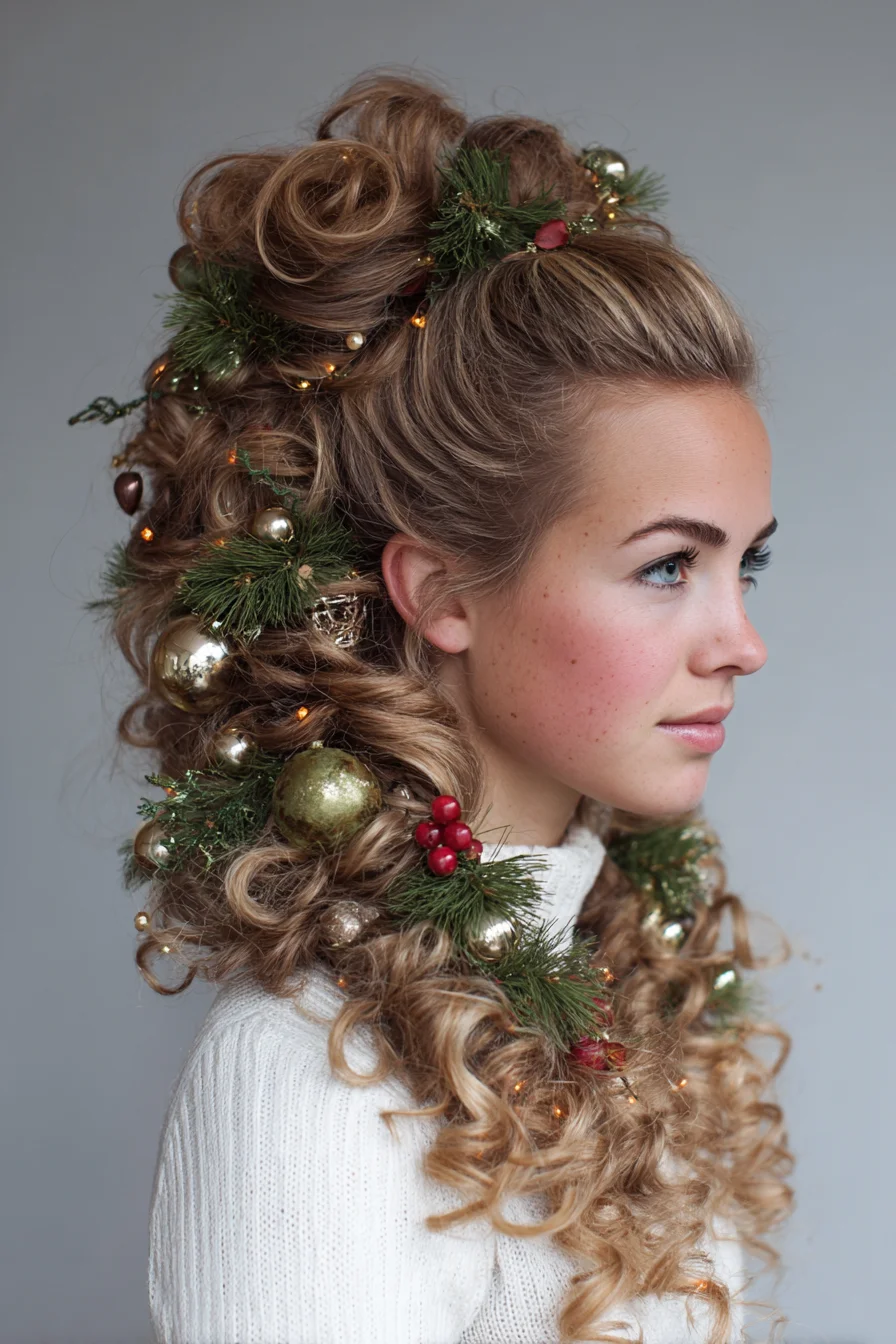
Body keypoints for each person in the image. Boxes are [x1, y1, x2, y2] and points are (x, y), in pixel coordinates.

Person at [96, 68, 793, 1344]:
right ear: (442, 592)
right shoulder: (312, 1073)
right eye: (663, 568)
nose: (738, 642)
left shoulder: (603, 987)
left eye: (739, 564)